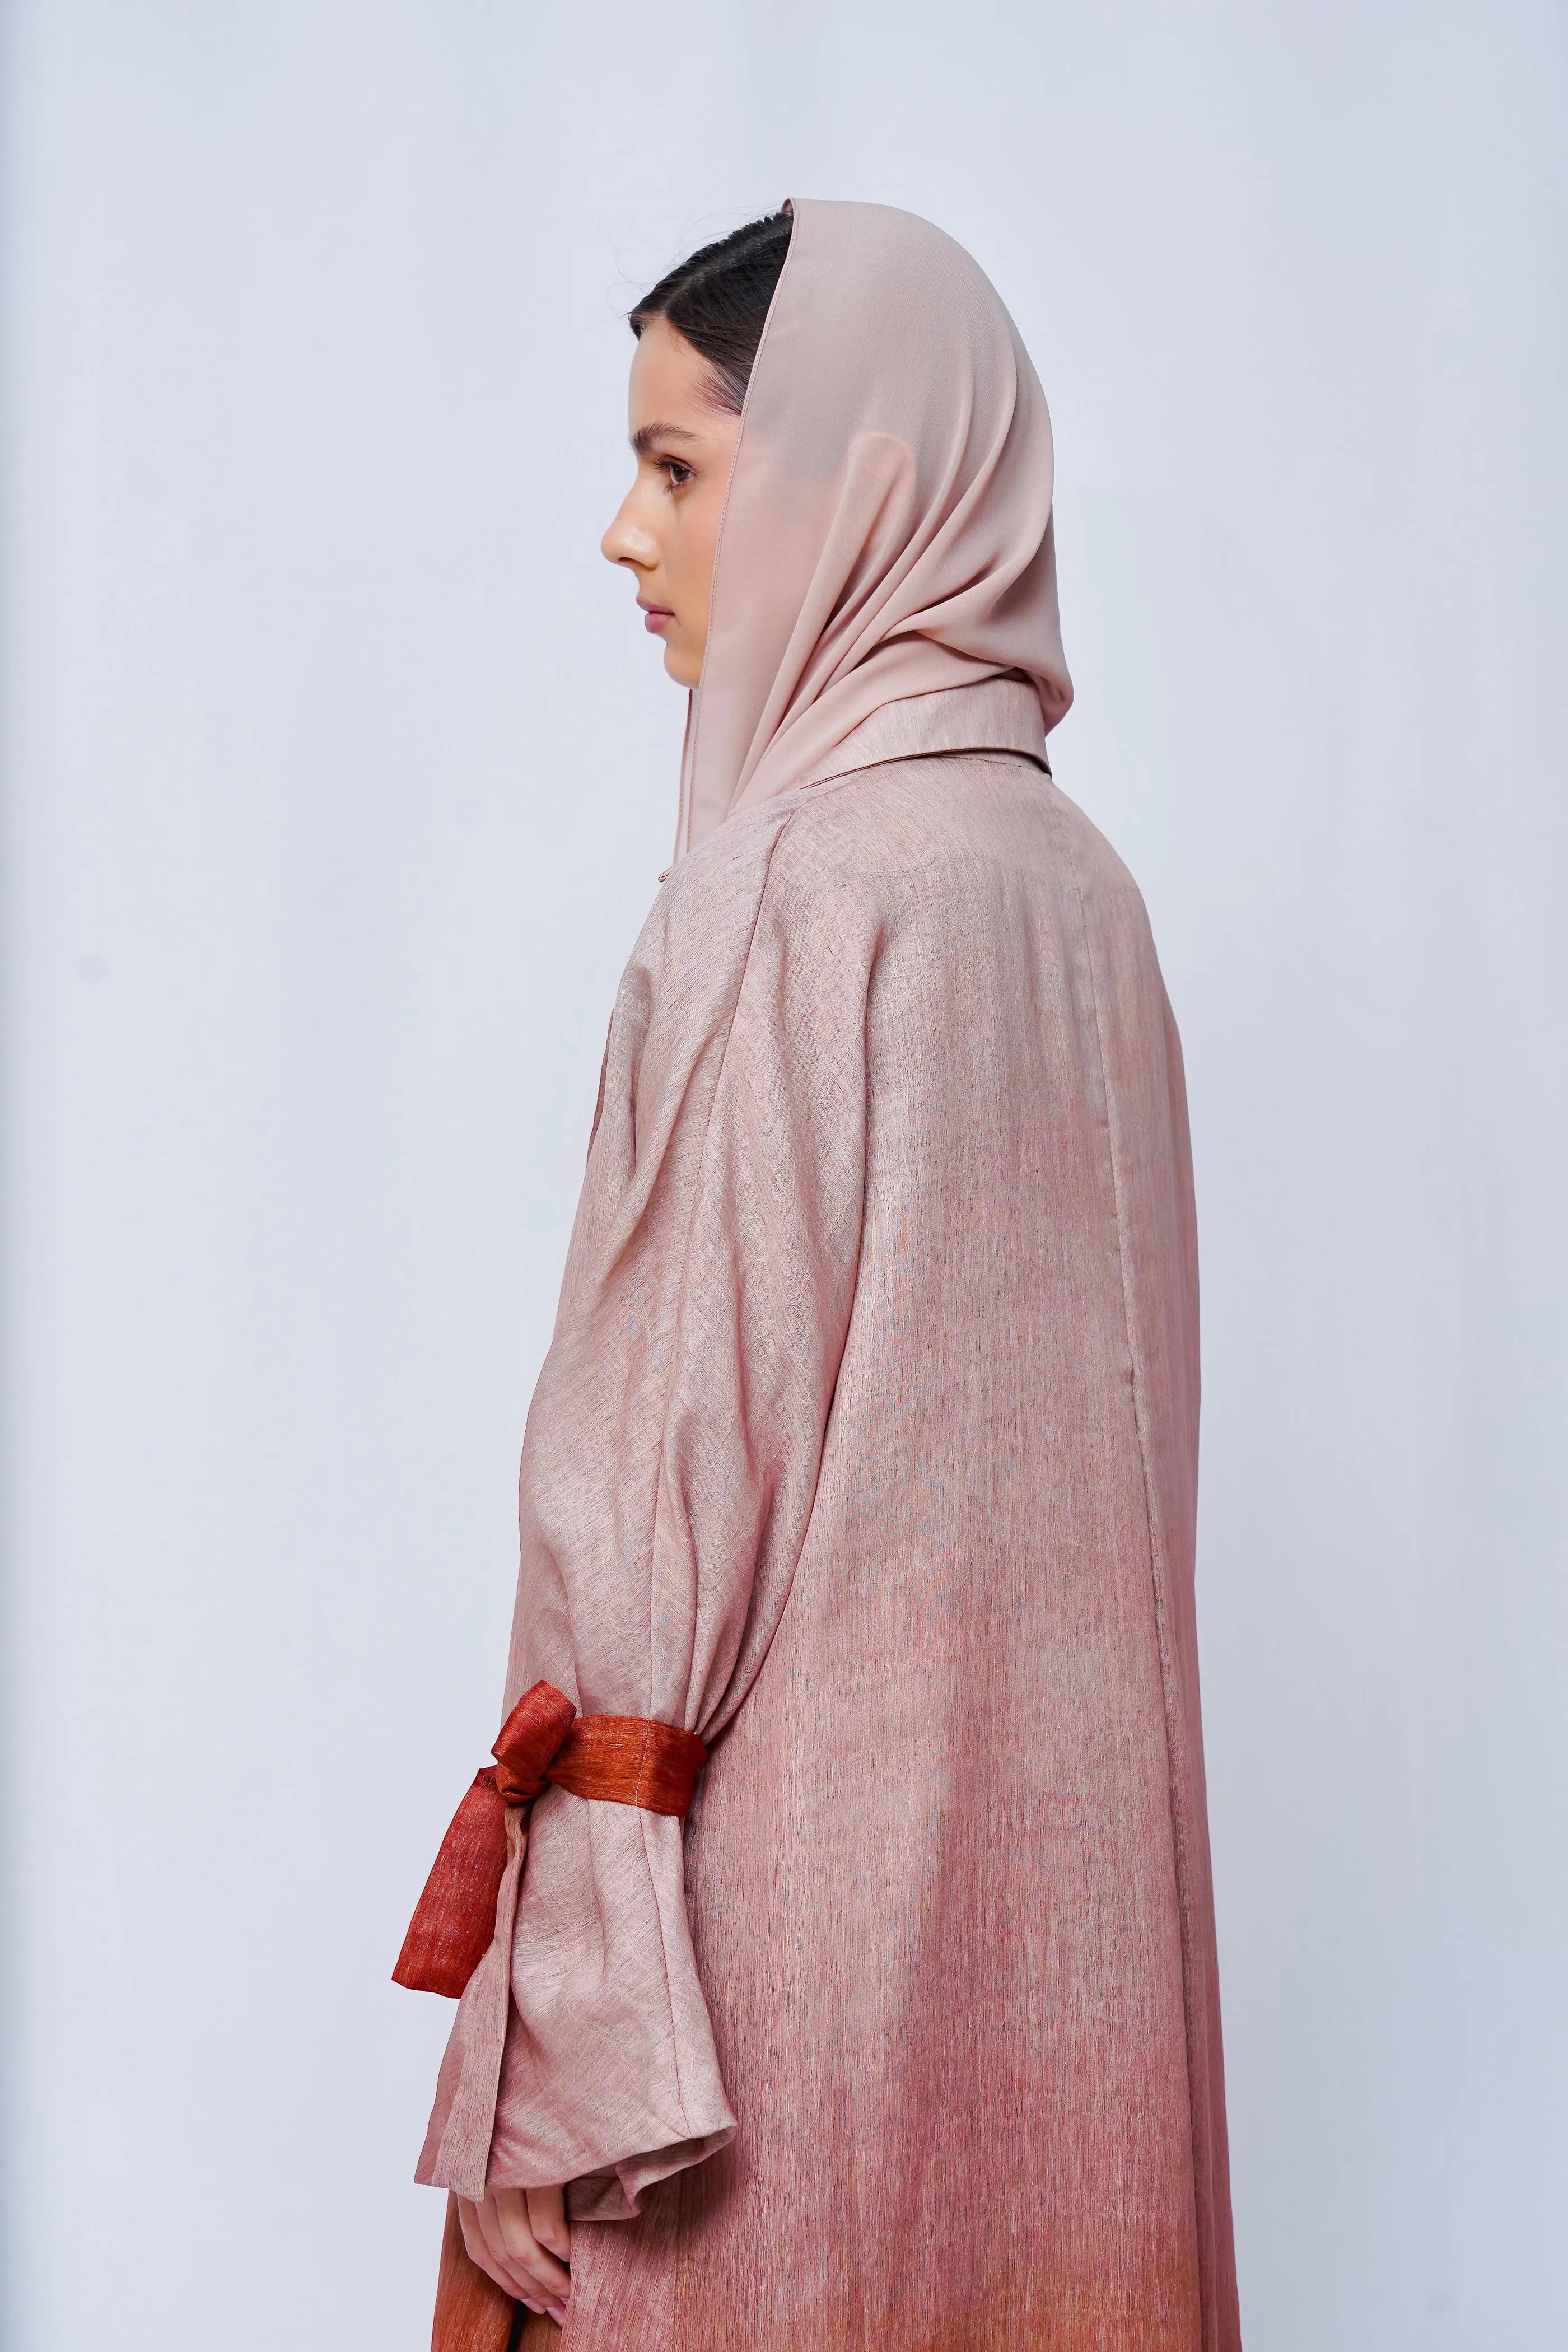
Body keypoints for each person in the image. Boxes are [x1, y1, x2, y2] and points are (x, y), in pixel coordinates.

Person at [402, 198, 1242, 2351]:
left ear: (862, 481)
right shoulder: (1083, 894)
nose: (626, 532)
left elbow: (650, 1518)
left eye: (678, 465)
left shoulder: (783, 894)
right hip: (1073, 1992)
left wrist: (560, 2050)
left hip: (765, 2037)